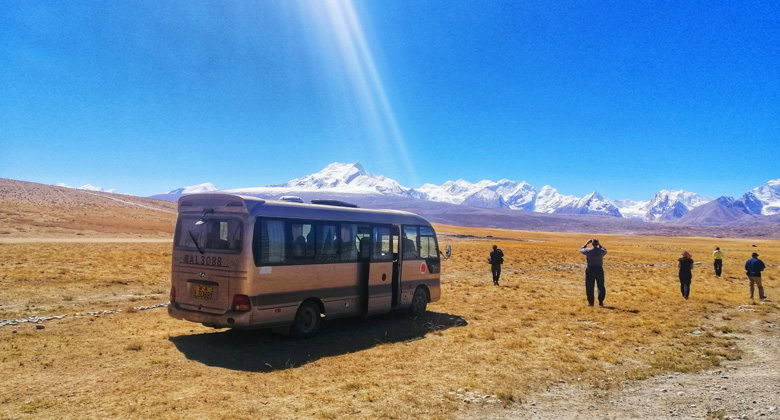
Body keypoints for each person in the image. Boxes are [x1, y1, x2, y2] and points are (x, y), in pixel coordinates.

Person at [580, 239, 607, 306]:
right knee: (601, 285)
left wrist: (586, 243)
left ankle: (591, 302)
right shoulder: (601, 251)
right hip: (599, 269)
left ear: (592, 244)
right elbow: (605, 250)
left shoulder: (588, 251)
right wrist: (600, 245)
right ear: (597, 244)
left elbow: (582, 249)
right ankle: (601, 301)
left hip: (590, 269)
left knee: (589, 286)